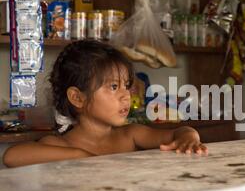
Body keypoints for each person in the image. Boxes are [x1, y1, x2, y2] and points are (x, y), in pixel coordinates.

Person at [3, 41, 208, 168]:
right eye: (113, 86)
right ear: (77, 98)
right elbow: (12, 156)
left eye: (126, 86)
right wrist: (79, 156)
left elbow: (180, 132)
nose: (126, 96)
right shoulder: (61, 145)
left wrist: (189, 137)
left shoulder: (131, 135)